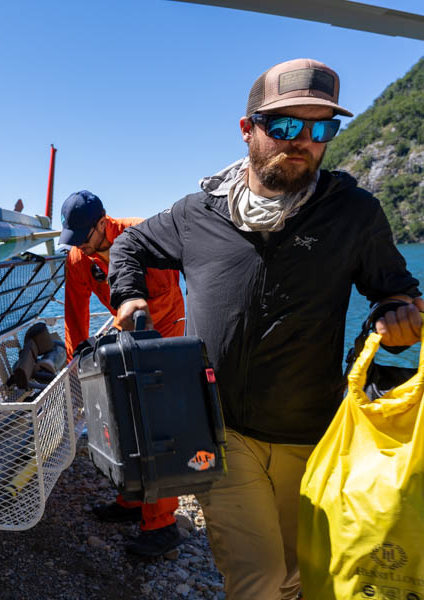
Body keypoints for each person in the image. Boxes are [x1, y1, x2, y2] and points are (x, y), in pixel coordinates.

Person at [107, 58, 423, 599]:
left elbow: (397, 290)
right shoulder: (198, 213)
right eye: (282, 126)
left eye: (320, 128)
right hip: (221, 432)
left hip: (317, 436)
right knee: (255, 580)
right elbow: (129, 244)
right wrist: (130, 295)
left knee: (301, 574)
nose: (301, 140)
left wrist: (399, 316)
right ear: (247, 129)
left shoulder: (352, 212)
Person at [59, 190, 186, 557]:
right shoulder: (78, 258)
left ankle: (162, 526)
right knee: (120, 420)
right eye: (74, 239)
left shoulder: (144, 237)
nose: (80, 246)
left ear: (103, 223)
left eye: (85, 237)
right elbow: (74, 311)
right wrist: (76, 362)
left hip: (164, 336)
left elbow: (165, 296)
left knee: (154, 426)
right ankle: (132, 501)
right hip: (123, 338)